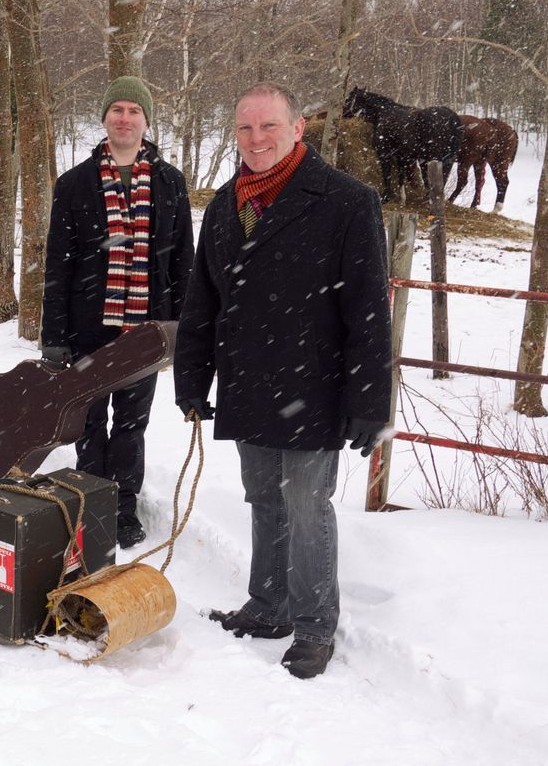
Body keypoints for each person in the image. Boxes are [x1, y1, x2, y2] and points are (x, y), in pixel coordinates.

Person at [173, 82, 392, 679]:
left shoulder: (347, 200)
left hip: (313, 384)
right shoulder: (225, 204)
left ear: (298, 129)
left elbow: (369, 311)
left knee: (306, 503)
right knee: (263, 497)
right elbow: (203, 301)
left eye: (269, 126)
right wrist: (192, 378)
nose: (256, 139)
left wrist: (370, 402)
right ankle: (269, 607)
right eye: (245, 128)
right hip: (248, 382)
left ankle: (316, 625)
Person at [41, 76, 195, 550]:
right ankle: (90, 501)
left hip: (146, 330)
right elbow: (58, 262)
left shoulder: (169, 182)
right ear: (104, 118)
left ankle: (123, 505)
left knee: (132, 422)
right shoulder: (75, 184)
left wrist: (183, 326)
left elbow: (182, 260)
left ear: (146, 121)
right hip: (88, 325)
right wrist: (54, 334)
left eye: (133, 111)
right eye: (117, 110)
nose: (124, 119)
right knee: (88, 420)